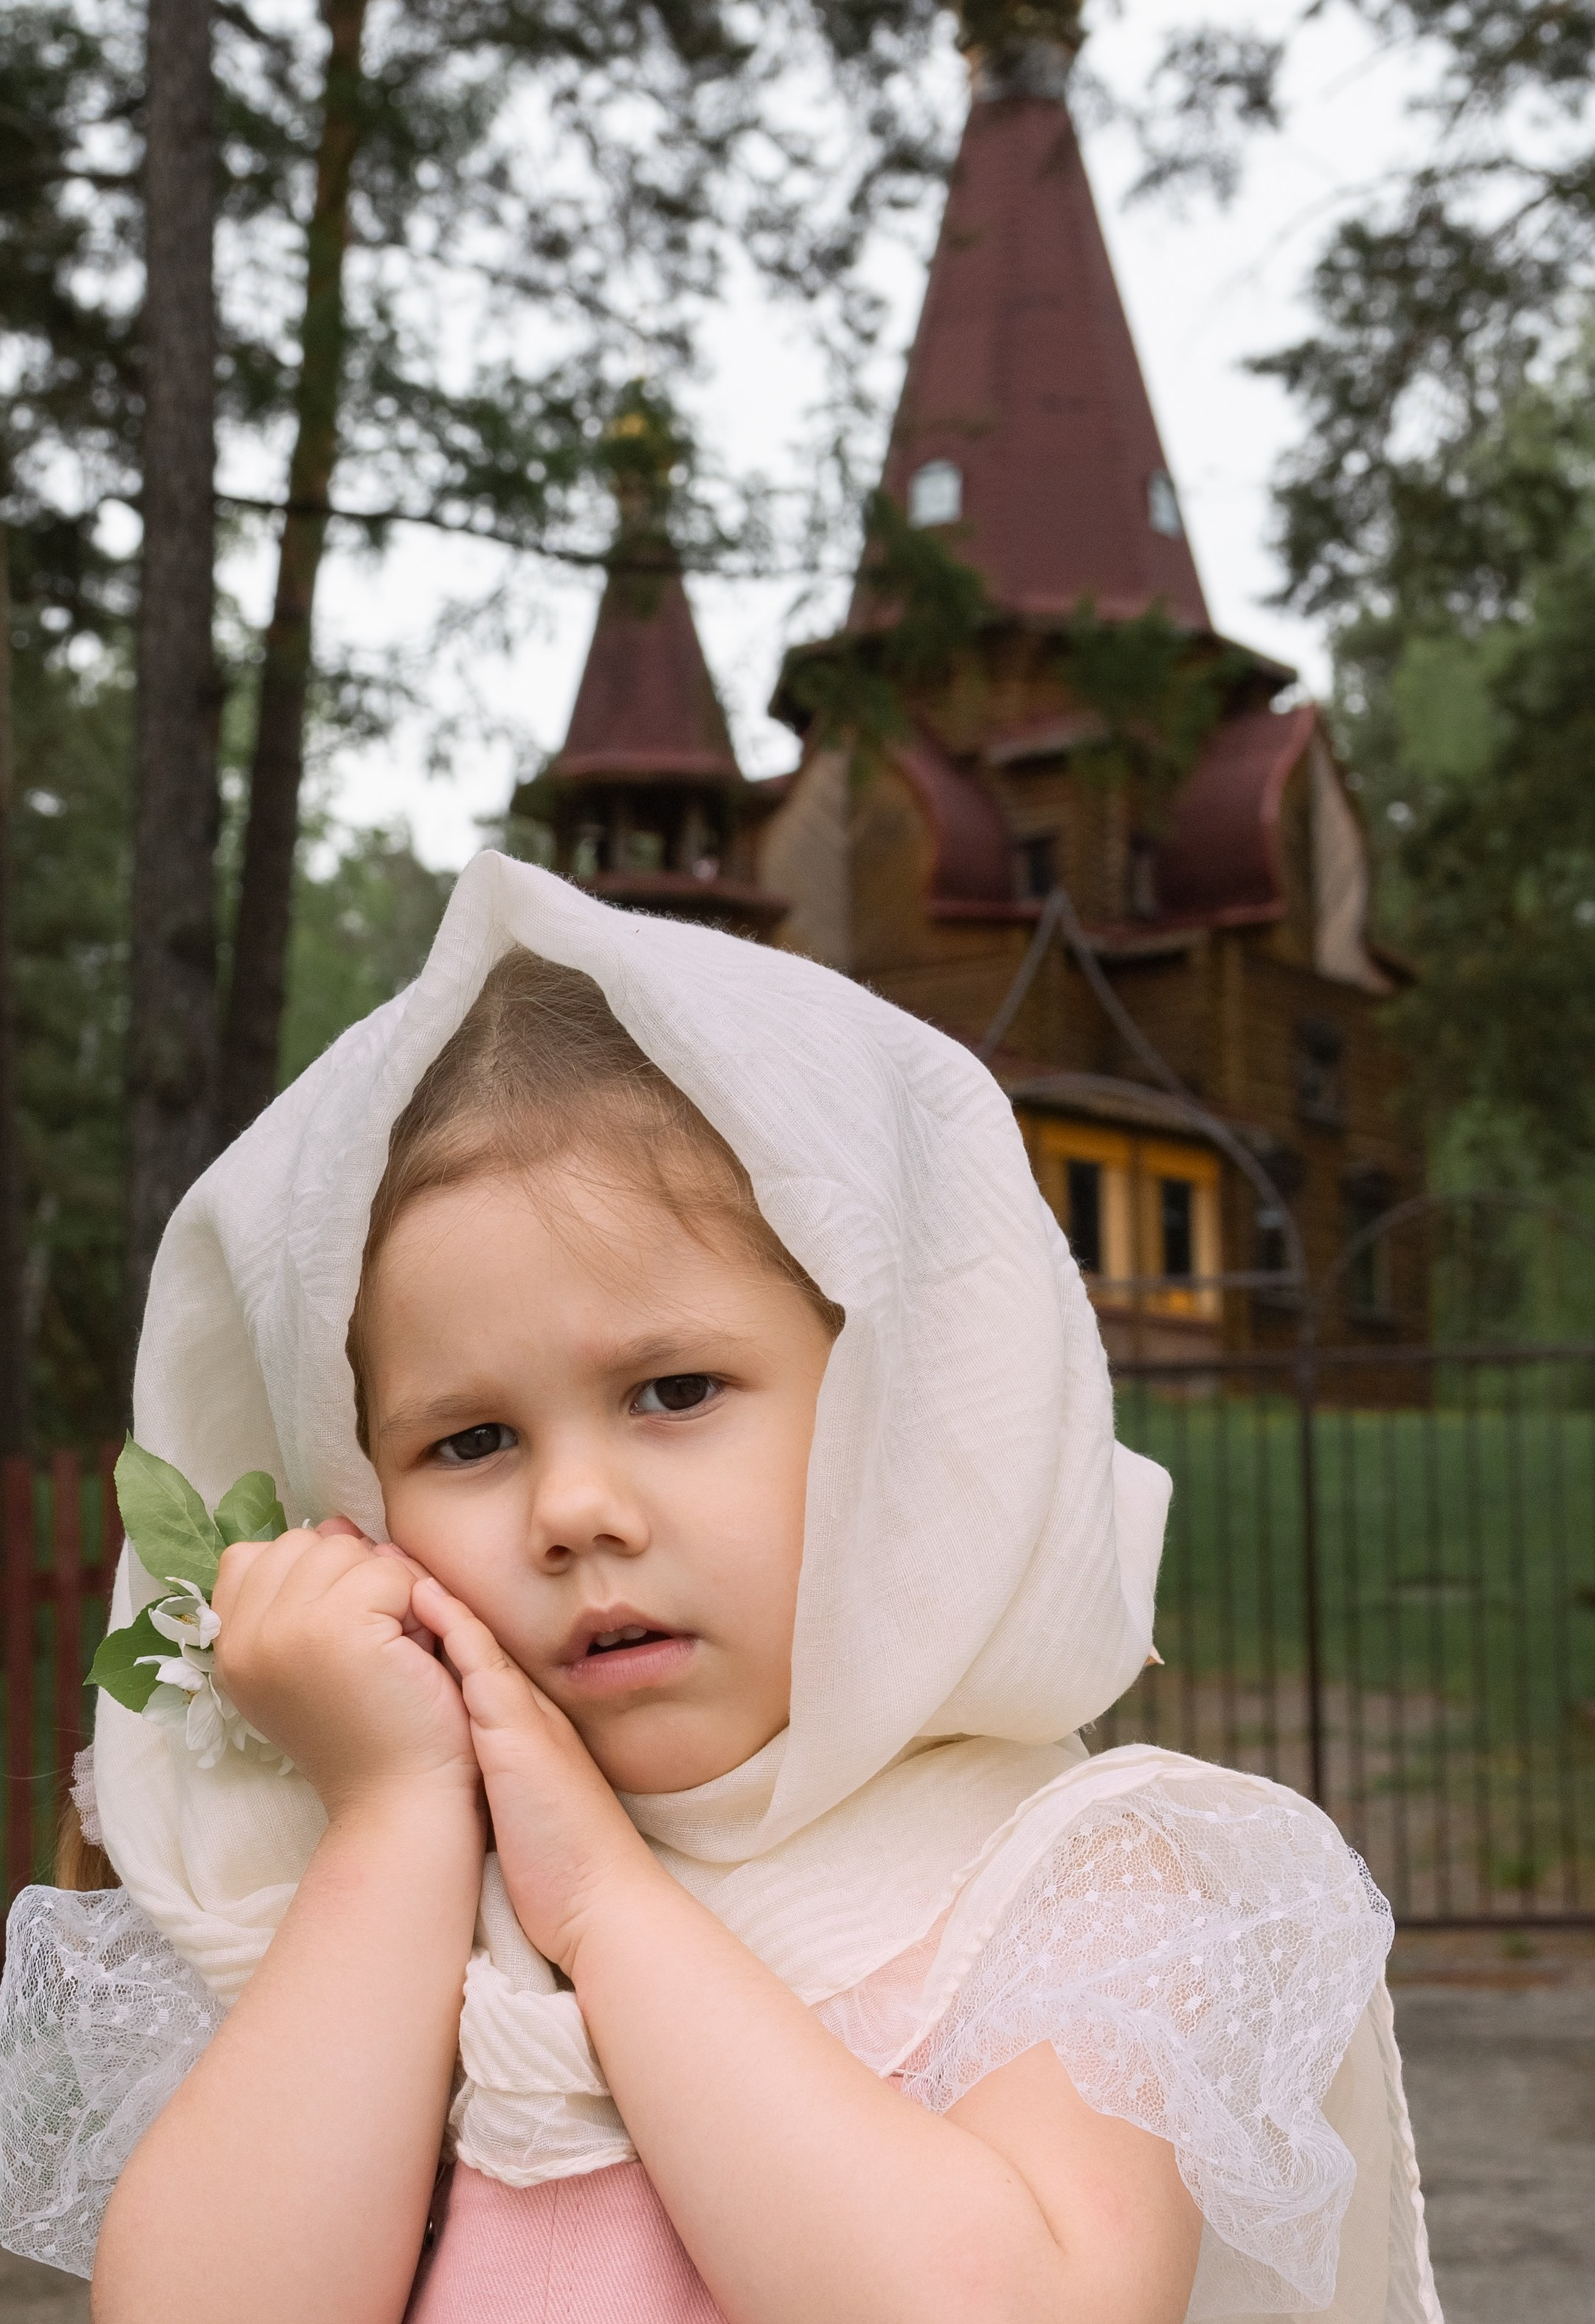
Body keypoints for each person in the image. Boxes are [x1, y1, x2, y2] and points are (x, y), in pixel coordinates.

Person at [0, 854, 1438, 2323]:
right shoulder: (347, 1887)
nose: (572, 1507)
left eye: (672, 1388)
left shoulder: (1069, 1885)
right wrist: (393, 1822)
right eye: (471, 1438)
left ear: (894, 1414)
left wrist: (611, 1908)